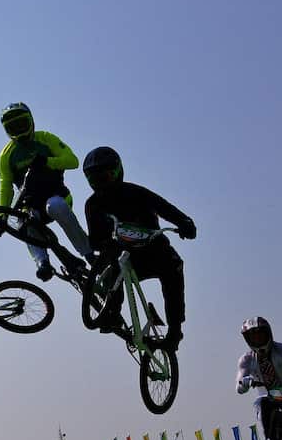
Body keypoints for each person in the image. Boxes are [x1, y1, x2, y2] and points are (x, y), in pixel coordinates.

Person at [82, 146, 196, 349]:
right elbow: (95, 240)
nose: (101, 184)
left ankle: (175, 330)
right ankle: (112, 313)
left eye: (105, 177)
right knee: (112, 267)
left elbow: (164, 208)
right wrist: (105, 244)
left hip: (155, 252)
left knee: (174, 268)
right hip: (125, 257)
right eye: (94, 180)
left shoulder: (136, 192)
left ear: (117, 172)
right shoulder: (93, 205)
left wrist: (185, 222)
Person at [0, 103, 90, 281]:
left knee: (56, 206)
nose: (19, 130)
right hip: (31, 204)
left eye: (22, 124)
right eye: (12, 127)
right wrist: (2, 216)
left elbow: (72, 161)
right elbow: (6, 186)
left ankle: (88, 252)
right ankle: (42, 263)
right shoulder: (6, 156)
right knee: (26, 221)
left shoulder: (45, 138)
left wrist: (47, 162)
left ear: (31, 121)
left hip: (57, 195)